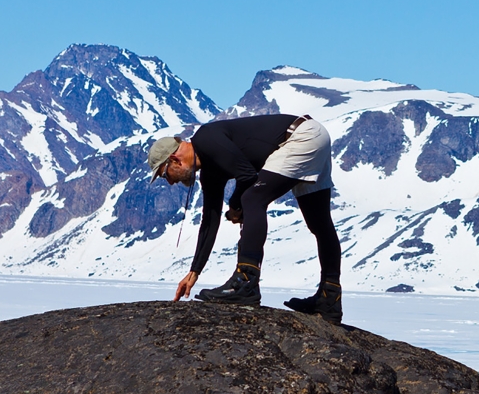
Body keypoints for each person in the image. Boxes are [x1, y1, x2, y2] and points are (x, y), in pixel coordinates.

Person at [147, 114, 343, 324]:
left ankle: (245, 283)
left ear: (174, 160)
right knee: (319, 223)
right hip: (313, 134)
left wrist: (235, 204)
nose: (169, 182)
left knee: (252, 198)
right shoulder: (208, 171)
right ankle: (329, 299)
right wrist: (194, 271)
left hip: (300, 138)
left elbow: (248, 176)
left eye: (164, 174)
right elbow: (210, 221)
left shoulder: (206, 139)